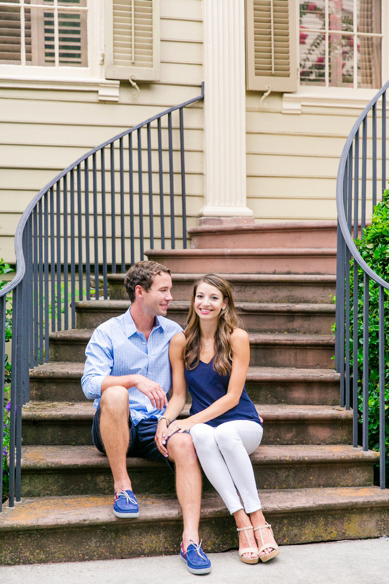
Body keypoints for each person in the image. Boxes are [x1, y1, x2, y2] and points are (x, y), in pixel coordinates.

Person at [82, 261, 212, 575]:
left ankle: (190, 540)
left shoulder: (173, 333)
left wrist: (169, 422)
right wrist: (132, 380)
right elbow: (89, 385)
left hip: (155, 424)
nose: (171, 297)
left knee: (185, 443)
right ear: (140, 292)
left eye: (170, 289)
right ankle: (123, 487)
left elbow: (189, 386)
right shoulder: (108, 332)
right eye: (163, 290)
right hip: (114, 425)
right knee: (115, 393)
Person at [155, 273, 279, 565]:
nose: (205, 303)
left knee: (217, 433)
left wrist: (189, 421)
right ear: (193, 300)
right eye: (200, 296)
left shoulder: (237, 337)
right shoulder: (180, 342)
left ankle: (258, 516)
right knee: (199, 435)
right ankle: (242, 524)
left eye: (213, 297)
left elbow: (233, 397)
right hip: (206, 428)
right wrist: (166, 420)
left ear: (224, 304)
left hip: (242, 424)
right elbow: (178, 397)